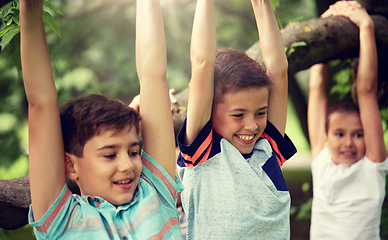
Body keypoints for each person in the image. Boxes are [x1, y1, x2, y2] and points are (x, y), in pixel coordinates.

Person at [21, 0, 183, 239]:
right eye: (109, 155)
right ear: (71, 165)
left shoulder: (156, 191)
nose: (127, 165)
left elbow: (153, 75)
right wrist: (30, 9)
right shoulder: (63, 222)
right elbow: (41, 104)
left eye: (133, 152)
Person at [176, 0, 296, 238]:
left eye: (261, 113)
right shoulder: (204, 154)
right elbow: (202, 63)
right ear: (209, 110)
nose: (252, 125)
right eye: (238, 115)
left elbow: (279, 72)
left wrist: (261, 4)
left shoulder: (267, 149)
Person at [308, 1, 388, 239]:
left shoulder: (373, 166)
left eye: (358, 134)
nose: (348, 143)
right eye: (339, 134)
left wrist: (366, 26)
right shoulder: (321, 158)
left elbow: (366, 90)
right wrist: (321, 27)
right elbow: (316, 87)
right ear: (326, 136)